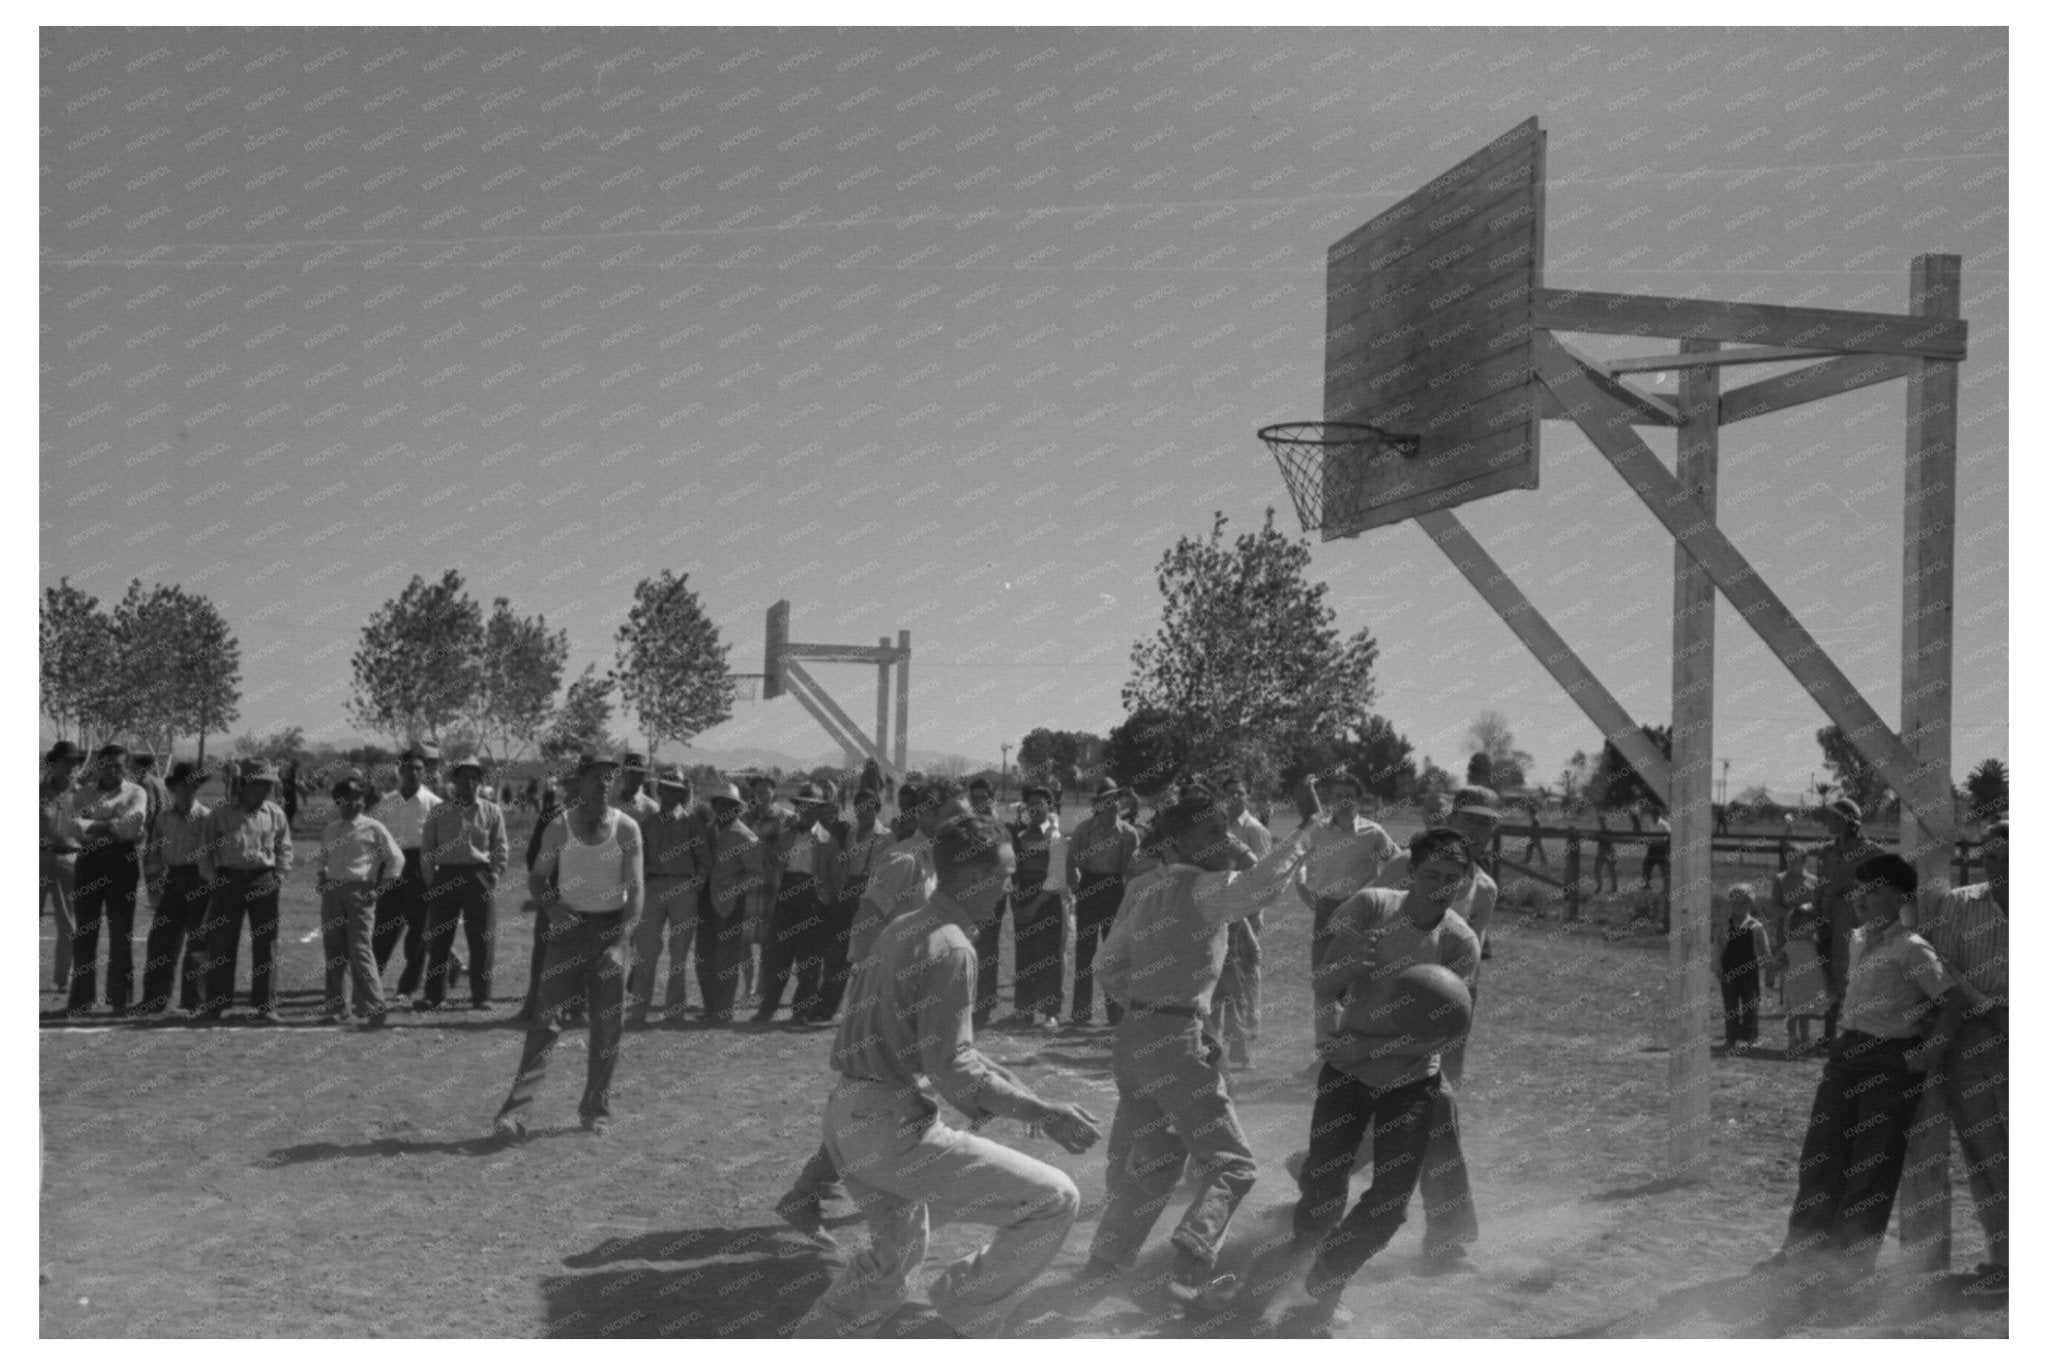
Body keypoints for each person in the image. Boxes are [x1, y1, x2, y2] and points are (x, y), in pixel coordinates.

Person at [791, 813, 1103, 1338]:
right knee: (1054, 1200)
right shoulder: (953, 946)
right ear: (975, 878)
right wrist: (1043, 1112)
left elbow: (944, 1049)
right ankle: (963, 1313)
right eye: (1004, 876)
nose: (1009, 888)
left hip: (848, 1115)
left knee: (891, 1266)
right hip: (891, 1128)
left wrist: (1021, 1095)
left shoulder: (906, 925)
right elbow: (952, 1066)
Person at [1078, 785, 1313, 1306]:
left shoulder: (1145, 889)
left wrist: (1150, 1003)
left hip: (1135, 1037)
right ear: (1179, 842)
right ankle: (1190, 1259)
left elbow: (1106, 966)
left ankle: (1105, 1262)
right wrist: (1307, 830)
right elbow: (1263, 886)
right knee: (1233, 1164)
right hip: (1176, 1040)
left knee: (1157, 1160)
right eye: (1211, 831)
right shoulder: (1208, 888)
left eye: (1225, 828)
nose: (1224, 838)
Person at [1287, 827, 1482, 1335]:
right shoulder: (1371, 906)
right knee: (1323, 1186)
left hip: (1411, 1081)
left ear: (1464, 883)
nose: (1441, 886)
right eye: (1431, 874)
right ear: (1411, 872)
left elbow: (1444, 1031)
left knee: (1390, 1203)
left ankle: (1328, 1280)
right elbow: (1324, 985)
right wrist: (1350, 968)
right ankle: (1298, 1266)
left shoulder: (1460, 940)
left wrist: (1373, 1049)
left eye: (1452, 878)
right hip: (1347, 1074)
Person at [775, 776, 973, 1244]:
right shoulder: (904, 861)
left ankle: (810, 1193)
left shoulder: (935, 863)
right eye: (954, 815)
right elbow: (865, 924)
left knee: (885, 1094)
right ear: (925, 814)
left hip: (912, 996)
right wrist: (876, 989)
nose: (963, 824)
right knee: (885, 1092)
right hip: (887, 997)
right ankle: (820, 1192)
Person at [1756, 854, 1957, 1282]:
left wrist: (1931, 1052)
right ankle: (1803, 1251)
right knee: (1821, 1153)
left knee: (1872, 1162)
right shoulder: (1858, 938)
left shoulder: (1913, 948)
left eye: (1876, 890)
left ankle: (1847, 1264)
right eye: (1860, 889)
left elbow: (1951, 1000)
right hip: (1847, 1054)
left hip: (1890, 1059)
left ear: (1901, 898)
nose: (1862, 898)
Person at [494, 753, 644, 1139]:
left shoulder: (627, 829)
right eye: (596, 777)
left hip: (611, 931)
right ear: (580, 782)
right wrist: (550, 906)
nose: (603, 784)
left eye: (610, 777)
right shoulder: (560, 826)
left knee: (608, 1026)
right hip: (567, 934)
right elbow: (538, 877)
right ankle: (514, 1116)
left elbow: (636, 890)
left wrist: (622, 943)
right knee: (545, 1023)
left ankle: (595, 1110)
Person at [1919, 820, 2008, 1297]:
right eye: (1992, 857)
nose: (2000, 866)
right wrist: (1989, 1008)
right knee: (1985, 1152)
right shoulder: (1959, 904)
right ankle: (2004, 1258)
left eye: (2010, 857)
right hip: (1974, 1037)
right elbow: (1945, 964)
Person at [195, 760, 294, 1021]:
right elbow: (205, 850)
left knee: (266, 943)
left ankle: (265, 1005)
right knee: (221, 943)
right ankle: (216, 1004)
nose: (267, 789)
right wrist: (213, 879)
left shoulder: (275, 813)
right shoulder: (221, 813)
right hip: (228, 880)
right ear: (247, 783)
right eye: (262, 783)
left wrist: (279, 876)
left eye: (269, 784)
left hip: (263, 880)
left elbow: (284, 847)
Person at [58, 744, 150, 1018]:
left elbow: (133, 824)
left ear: (126, 767)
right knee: (85, 932)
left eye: (118, 765)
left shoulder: (137, 792)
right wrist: (112, 825)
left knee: (121, 932)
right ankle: (81, 998)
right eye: (107, 764)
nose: (112, 770)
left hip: (122, 862)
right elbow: (71, 826)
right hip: (89, 862)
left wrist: (92, 824)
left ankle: (119, 997)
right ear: (98, 765)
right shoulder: (83, 793)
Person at [313, 774, 405, 1026]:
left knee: (360, 950)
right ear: (338, 801)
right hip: (333, 894)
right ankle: (337, 1007)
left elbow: (396, 859)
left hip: (360, 893)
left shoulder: (374, 828)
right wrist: (322, 877)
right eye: (347, 799)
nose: (353, 803)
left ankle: (373, 1007)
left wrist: (380, 888)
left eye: (358, 798)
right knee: (334, 951)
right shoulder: (331, 830)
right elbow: (322, 858)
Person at [419, 757, 509, 1011]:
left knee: (482, 939)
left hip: (478, 876)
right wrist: (432, 881)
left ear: (480, 782)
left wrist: (495, 873)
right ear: (454, 780)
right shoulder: (438, 812)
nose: (470, 782)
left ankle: (481, 996)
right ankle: (434, 995)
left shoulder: (492, 811)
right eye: (464, 777)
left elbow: (500, 846)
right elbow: (427, 849)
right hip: (446, 875)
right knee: (439, 939)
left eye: (475, 777)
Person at [1294, 770, 1399, 968]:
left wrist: (1381, 892)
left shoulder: (1373, 833)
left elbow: (1398, 863)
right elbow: (1300, 859)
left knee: (1357, 969)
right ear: (1330, 798)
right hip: (1325, 908)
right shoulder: (1317, 829)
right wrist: (1301, 887)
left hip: (1360, 909)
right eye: (1338, 795)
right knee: (1322, 969)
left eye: (1349, 795)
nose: (1343, 800)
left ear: (1358, 799)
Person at [755, 782, 840, 1024]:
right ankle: (767, 1009)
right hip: (786, 895)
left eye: (813, 806)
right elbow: (774, 864)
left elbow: (836, 880)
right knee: (777, 956)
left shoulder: (828, 842)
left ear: (820, 809)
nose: (807, 810)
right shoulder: (787, 835)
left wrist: (827, 903)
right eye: (803, 805)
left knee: (809, 958)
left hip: (812, 899)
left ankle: (801, 1011)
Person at [628, 768, 707, 1027]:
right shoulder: (646, 825)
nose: (672, 794)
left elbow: (703, 860)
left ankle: (675, 1011)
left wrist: (694, 887)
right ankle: (638, 1011)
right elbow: (637, 862)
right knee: (645, 951)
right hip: (652, 887)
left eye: (677, 791)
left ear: (683, 794)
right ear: (660, 791)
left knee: (679, 953)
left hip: (683, 887)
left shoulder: (692, 823)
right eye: (668, 789)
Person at [136, 761, 215, 1016]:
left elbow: (212, 855)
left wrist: (211, 886)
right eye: (184, 785)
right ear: (174, 787)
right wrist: (153, 884)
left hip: (200, 881)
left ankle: (195, 1000)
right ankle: (155, 999)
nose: (189, 790)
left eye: (194, 785)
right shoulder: (163, 818)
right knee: (161, 942)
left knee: (198, 942)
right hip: (173, 881)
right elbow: (154, 852)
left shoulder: (207, 818)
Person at [1210, 774, 1274, 1068]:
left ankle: (1243, 1045)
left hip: (1244, 914)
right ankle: (1219, 1046)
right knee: (1219, 981)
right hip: (1221, 910)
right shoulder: (1218, 827)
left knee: (1241, 980)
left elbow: (1263, 876)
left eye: (1240, 792)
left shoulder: (1255, 830)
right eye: (1230, 792)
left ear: (1248, 796)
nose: (1235, 797)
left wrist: (1254, 915)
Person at [1065, 778, 1140, 1028]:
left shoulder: (1128, 833)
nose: (1112, 804)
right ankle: (1080, 1012)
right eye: (1106, 800)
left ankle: (1116, 1014)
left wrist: (1129, 898)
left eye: (1115, 799)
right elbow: (1071, 862)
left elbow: (1133, 869)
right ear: (1097, 804)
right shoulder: (1084, 829)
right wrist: (1077, 887)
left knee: (1114, 954)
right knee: (1084, 952)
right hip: (1089, 887)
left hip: (1115, 891)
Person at [371, 748, 442, 1004]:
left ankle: (407, 987)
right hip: (391, 866)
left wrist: (432, 875)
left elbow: (439, 843)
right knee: (383, 928)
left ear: (425, 772)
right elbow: (376, 838)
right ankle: (370, 984)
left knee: (418, 933)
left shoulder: (434, 804)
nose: (413, 773)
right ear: (399, 771)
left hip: (419, 867)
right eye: (409, 768)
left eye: (418, 768)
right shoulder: (387, 801)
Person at [1812, 798, 1882, 1043]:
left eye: (1832, 817)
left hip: (1851, 921)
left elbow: (1879, 885)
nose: (1827, 822)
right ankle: (1829, 1034)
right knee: (1827, 973)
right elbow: (1820, 883)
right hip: (1825, 919)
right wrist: (1816, 909)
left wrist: (1852, 888)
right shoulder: (1827, 852)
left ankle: (1852, 1033)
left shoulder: (1871, 851)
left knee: (1850, 972)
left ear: (1846, 821)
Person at [698, 781, 766, 1024]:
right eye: (720, 803)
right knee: (704, 957)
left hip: (730, 905)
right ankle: (710, 1008)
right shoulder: (708, 830)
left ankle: (723, 1010)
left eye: (729, 804)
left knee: (726, 959)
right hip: (705, 901)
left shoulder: (744, 836)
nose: (724, 808)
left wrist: (733, 890)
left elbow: (756, 873)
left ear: (737, 808)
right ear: (714, 805)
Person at [816, 786, 886, 1021]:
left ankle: (865, 1010)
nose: (864, 812)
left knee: (865, 955)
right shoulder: (851, 832)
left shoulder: (886, 836)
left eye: (869, 807)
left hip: (871, 896)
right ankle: (828, 1005)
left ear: (877, 808)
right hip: (847, 892)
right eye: (860, 807)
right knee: (837, 952)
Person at [1000, 785, 1064, 1031]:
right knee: (1025, 956)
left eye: (1041, 803)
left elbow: (1055, 878)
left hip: (1047, 902)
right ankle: (1024, 1009)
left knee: (1049, 958)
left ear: (1050, 806)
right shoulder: (1019, 836)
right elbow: (1013, 874)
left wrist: (1034, 906)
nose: (1035, 808)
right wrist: (1017, 905)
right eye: (1031, 804)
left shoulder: (1055, 837)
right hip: (1023, 901)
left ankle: (1050, 1013)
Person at [41, 742, 86, 998]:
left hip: (69, 860)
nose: (72, 767)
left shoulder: (83, 795)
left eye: (75, 762)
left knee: (68, 924)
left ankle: (62, 978)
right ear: (54, 764)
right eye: (67, 762)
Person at [1772, 845, 1826, 1052]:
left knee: (1808, 973)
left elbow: (1818, 905)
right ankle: (1790, 1011)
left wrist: (1810, 920)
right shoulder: (1780, 879)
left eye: (1797, 858)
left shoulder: (1813, 880)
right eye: (1789, 858)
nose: (1792, 861)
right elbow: (1775, 905)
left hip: (1810, 933)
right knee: (1789, 971)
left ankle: (1805, 1032)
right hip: (1787, 932)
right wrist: (1792, 917)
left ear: (1804, 860)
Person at [1718, 885, 1772, 1051]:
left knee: (1751, 1004)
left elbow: (1764, 949)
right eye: (1735, 903)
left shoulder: (1756, 926)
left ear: (1750, 904)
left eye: (1743, 903)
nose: (1739, 906)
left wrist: (1769, 968)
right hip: (1729, 971)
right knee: (1731, 1006)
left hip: (1750, 972)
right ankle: (1731, 1039)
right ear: (1730, 904)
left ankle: (1751, 1037)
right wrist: (1717, 969)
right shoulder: (1724, 925)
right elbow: (1718, 949)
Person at [1641, 810, 1671, 895]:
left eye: (1656, 814)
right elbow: (1648, 836)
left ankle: (1667, 887)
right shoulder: (1651, 824)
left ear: (1659, 815)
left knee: (1664, 868)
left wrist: (1660, 842)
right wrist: (1648, 841)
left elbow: (1668, 837)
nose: (1654, 816)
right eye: (1653, 814)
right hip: (1652, 848)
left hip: (1661, 849)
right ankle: (1647, 885)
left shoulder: (1664, 825)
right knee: (1647, 866)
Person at [1592, 811, 1619, 893]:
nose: (1601, 822)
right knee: (1597, 869)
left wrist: (1600, 836)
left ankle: (1615, 888)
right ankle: (1600, 886)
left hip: (1610, 851)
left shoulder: (1609, 829)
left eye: (1603, 820)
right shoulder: (1600, 830)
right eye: (1600, 821)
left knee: (1612, 871)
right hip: (1601, 852)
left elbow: (1610, 840)